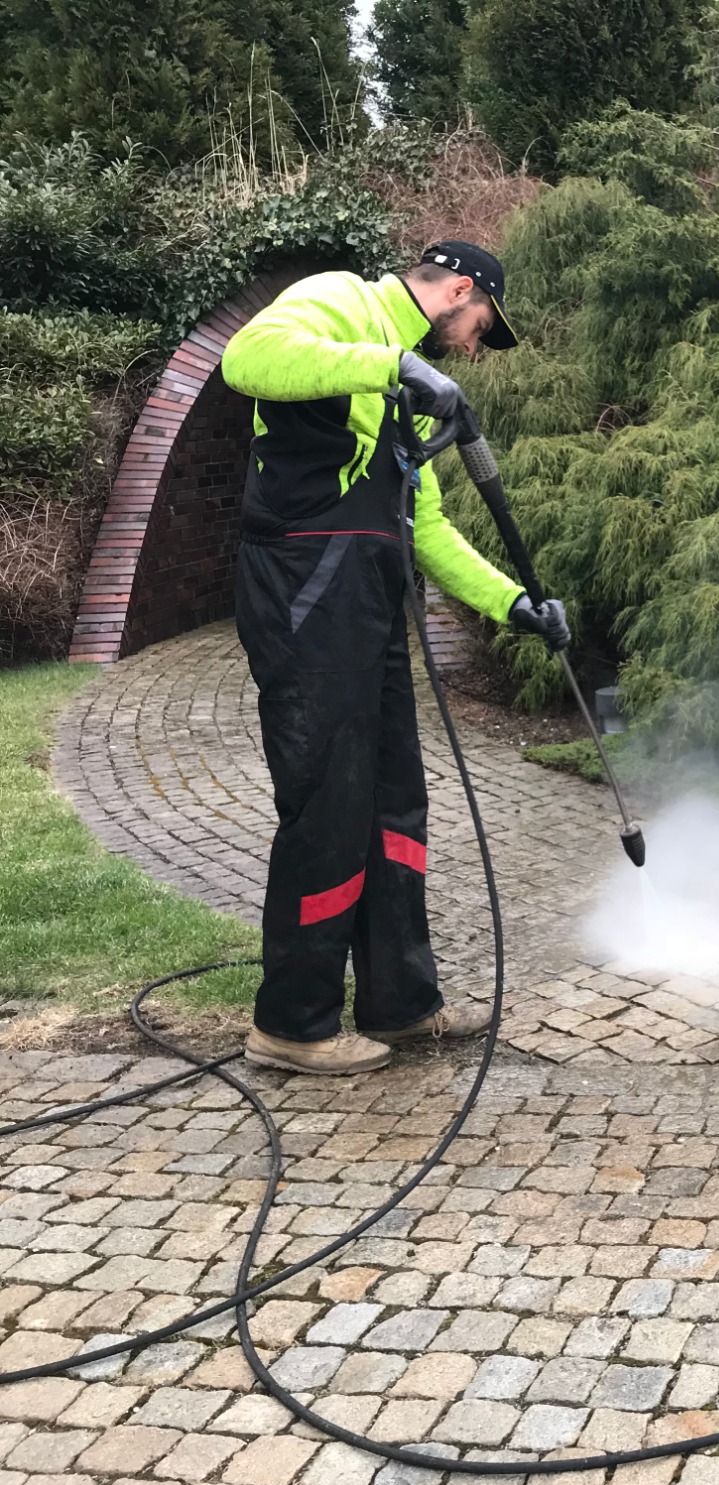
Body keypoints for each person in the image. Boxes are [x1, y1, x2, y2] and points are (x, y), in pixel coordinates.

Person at [220, 241, 570, 1075]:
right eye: (483, 322)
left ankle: (400, 1003)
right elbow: (248, 358)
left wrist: (513, 604)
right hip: (305, 591)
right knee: (329, 802)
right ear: (458, 289)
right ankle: (292, 1025)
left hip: (369, 604)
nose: (477, 343)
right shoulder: (343, 302)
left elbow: (430, 528)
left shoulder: (408, 389)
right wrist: (393, 365)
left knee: (392, 801)